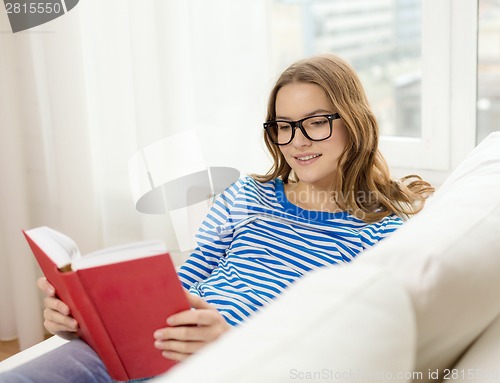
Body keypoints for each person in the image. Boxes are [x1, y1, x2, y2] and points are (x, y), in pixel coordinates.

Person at [0, 54, 433, 382]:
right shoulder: (246, 195)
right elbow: (184, 286)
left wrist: (228, 343)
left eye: (316, 122)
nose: (296, 141)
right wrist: (84, 320)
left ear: (353, 121)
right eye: (282, 126)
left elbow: (340, 350)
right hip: (157, 349)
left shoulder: (380, 232)